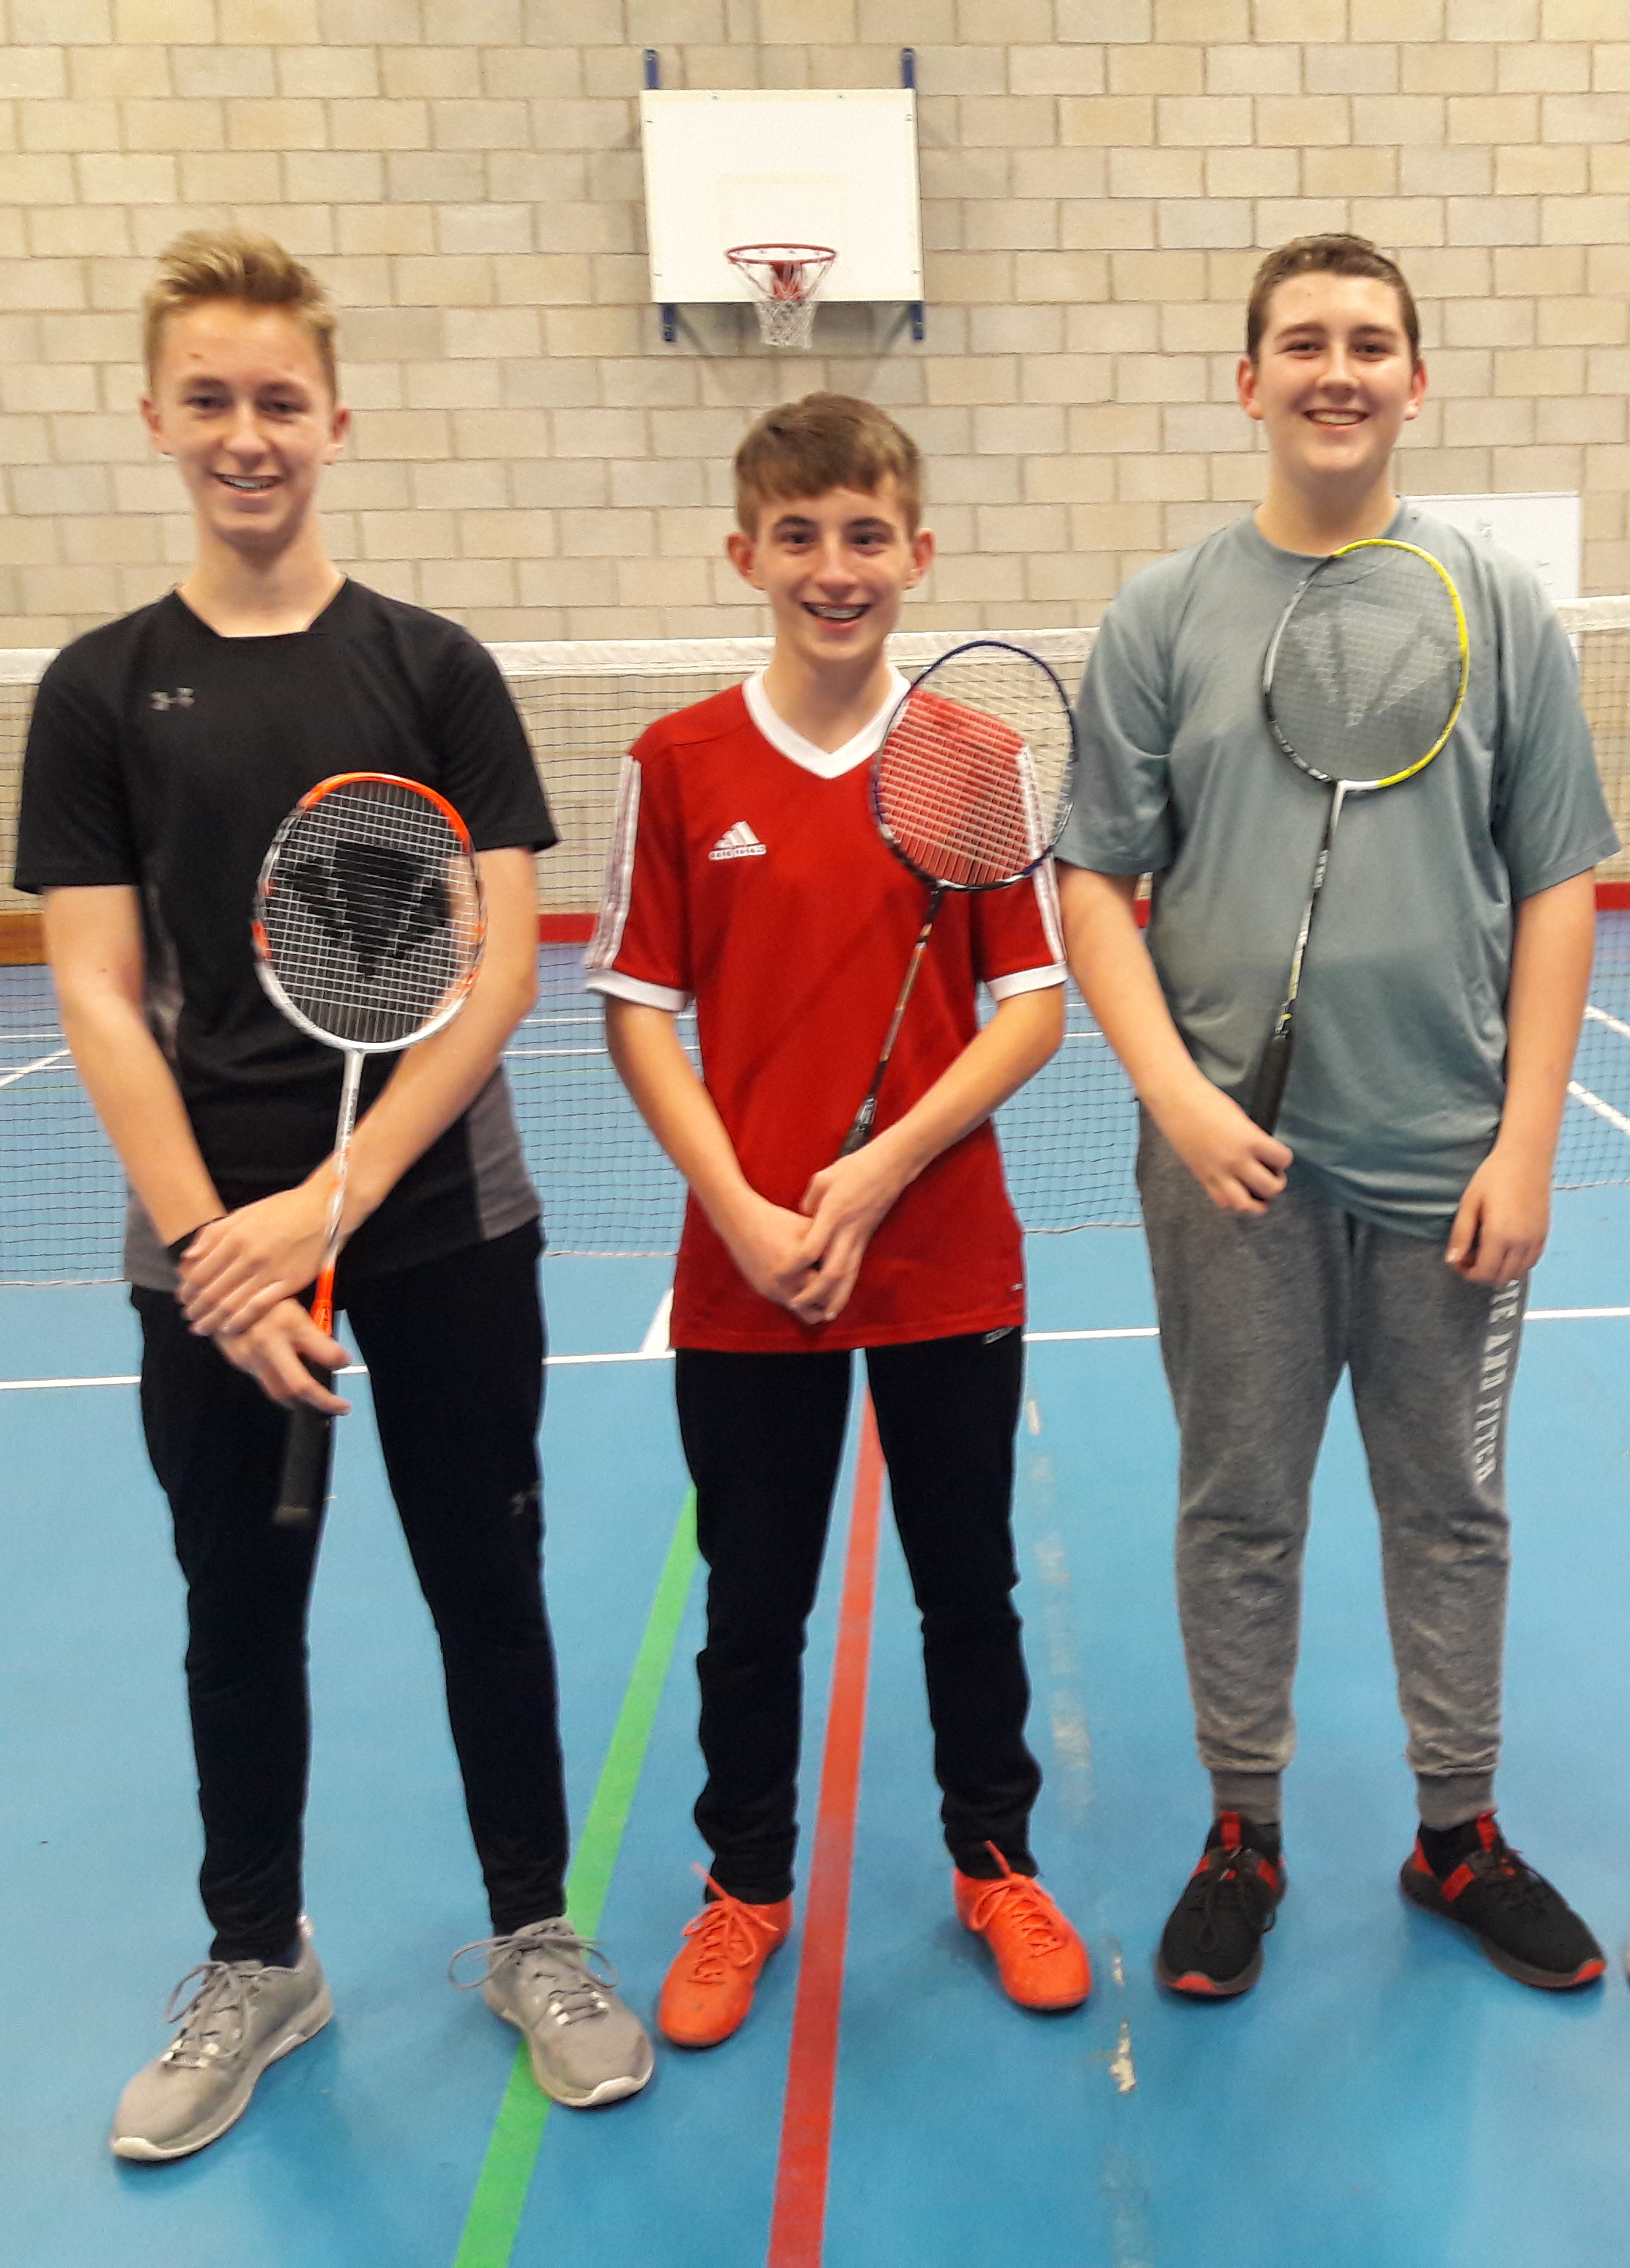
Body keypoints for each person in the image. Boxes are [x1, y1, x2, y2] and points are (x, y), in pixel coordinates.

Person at [15, 229, 653, 2162]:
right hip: (208, 1233)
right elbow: (94, 988)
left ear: (336, 420)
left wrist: (335, 1204)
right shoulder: (101, 690)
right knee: (239, 1604)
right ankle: (254, 1958)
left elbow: (503, 966)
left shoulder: (431, 669)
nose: (246, 433)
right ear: (154, 419)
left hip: (439, 1209)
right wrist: (226, 1242)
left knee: (489, 1588)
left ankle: (535, 1932)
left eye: (278, 399)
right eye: (207, 399)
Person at [1056, 236, 1620, 1999]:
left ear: (1416, 379)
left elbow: (1558, 889)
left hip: (1449, 1157)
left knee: (1452, 1503)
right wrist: (1173, 1094)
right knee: (1241, 1506)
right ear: (1247, 382)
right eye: (1302, 341)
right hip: (1230, 1173)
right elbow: (1092, 880)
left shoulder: (1499, 604)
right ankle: (1246, 1831)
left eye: (1372, 342)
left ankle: (1458, 1829)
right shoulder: (1161, 615)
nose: (1337, 369)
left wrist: (1528, 1138)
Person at [589, 393, 1092, 2048]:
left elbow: (1030, 1005)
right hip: (748, 1275)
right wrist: (734, 1204)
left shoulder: (975, 762)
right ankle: (743, 1890)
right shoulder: (678, 762)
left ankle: (996, 1858)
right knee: (753, 1601)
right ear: (744, 553)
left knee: (971, 1587)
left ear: (918, 553)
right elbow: (637, 1010)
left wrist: (879, 1171)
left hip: (944, 1259)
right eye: (797, 535)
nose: (833, 566)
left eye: (865, 534)